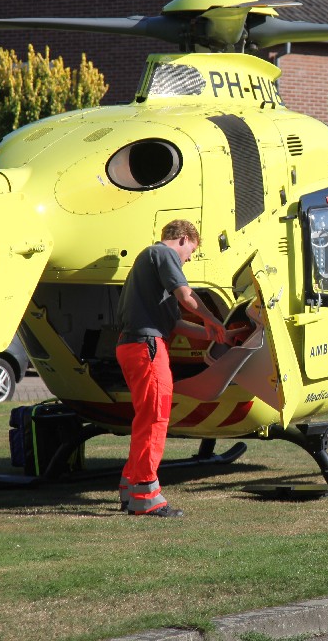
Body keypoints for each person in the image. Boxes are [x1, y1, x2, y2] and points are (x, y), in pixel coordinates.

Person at [116, 219, 229, 517]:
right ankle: (146, 495)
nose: (189, 259)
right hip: (148, 347)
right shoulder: (163, 254)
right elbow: (186, 296)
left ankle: (131, 487)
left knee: (145, 418)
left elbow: (175, 322)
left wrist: (214, 334)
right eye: (190, 251)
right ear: (182, 239)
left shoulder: (147, 265)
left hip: (133, 345)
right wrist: (212, 319)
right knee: (155, 418)